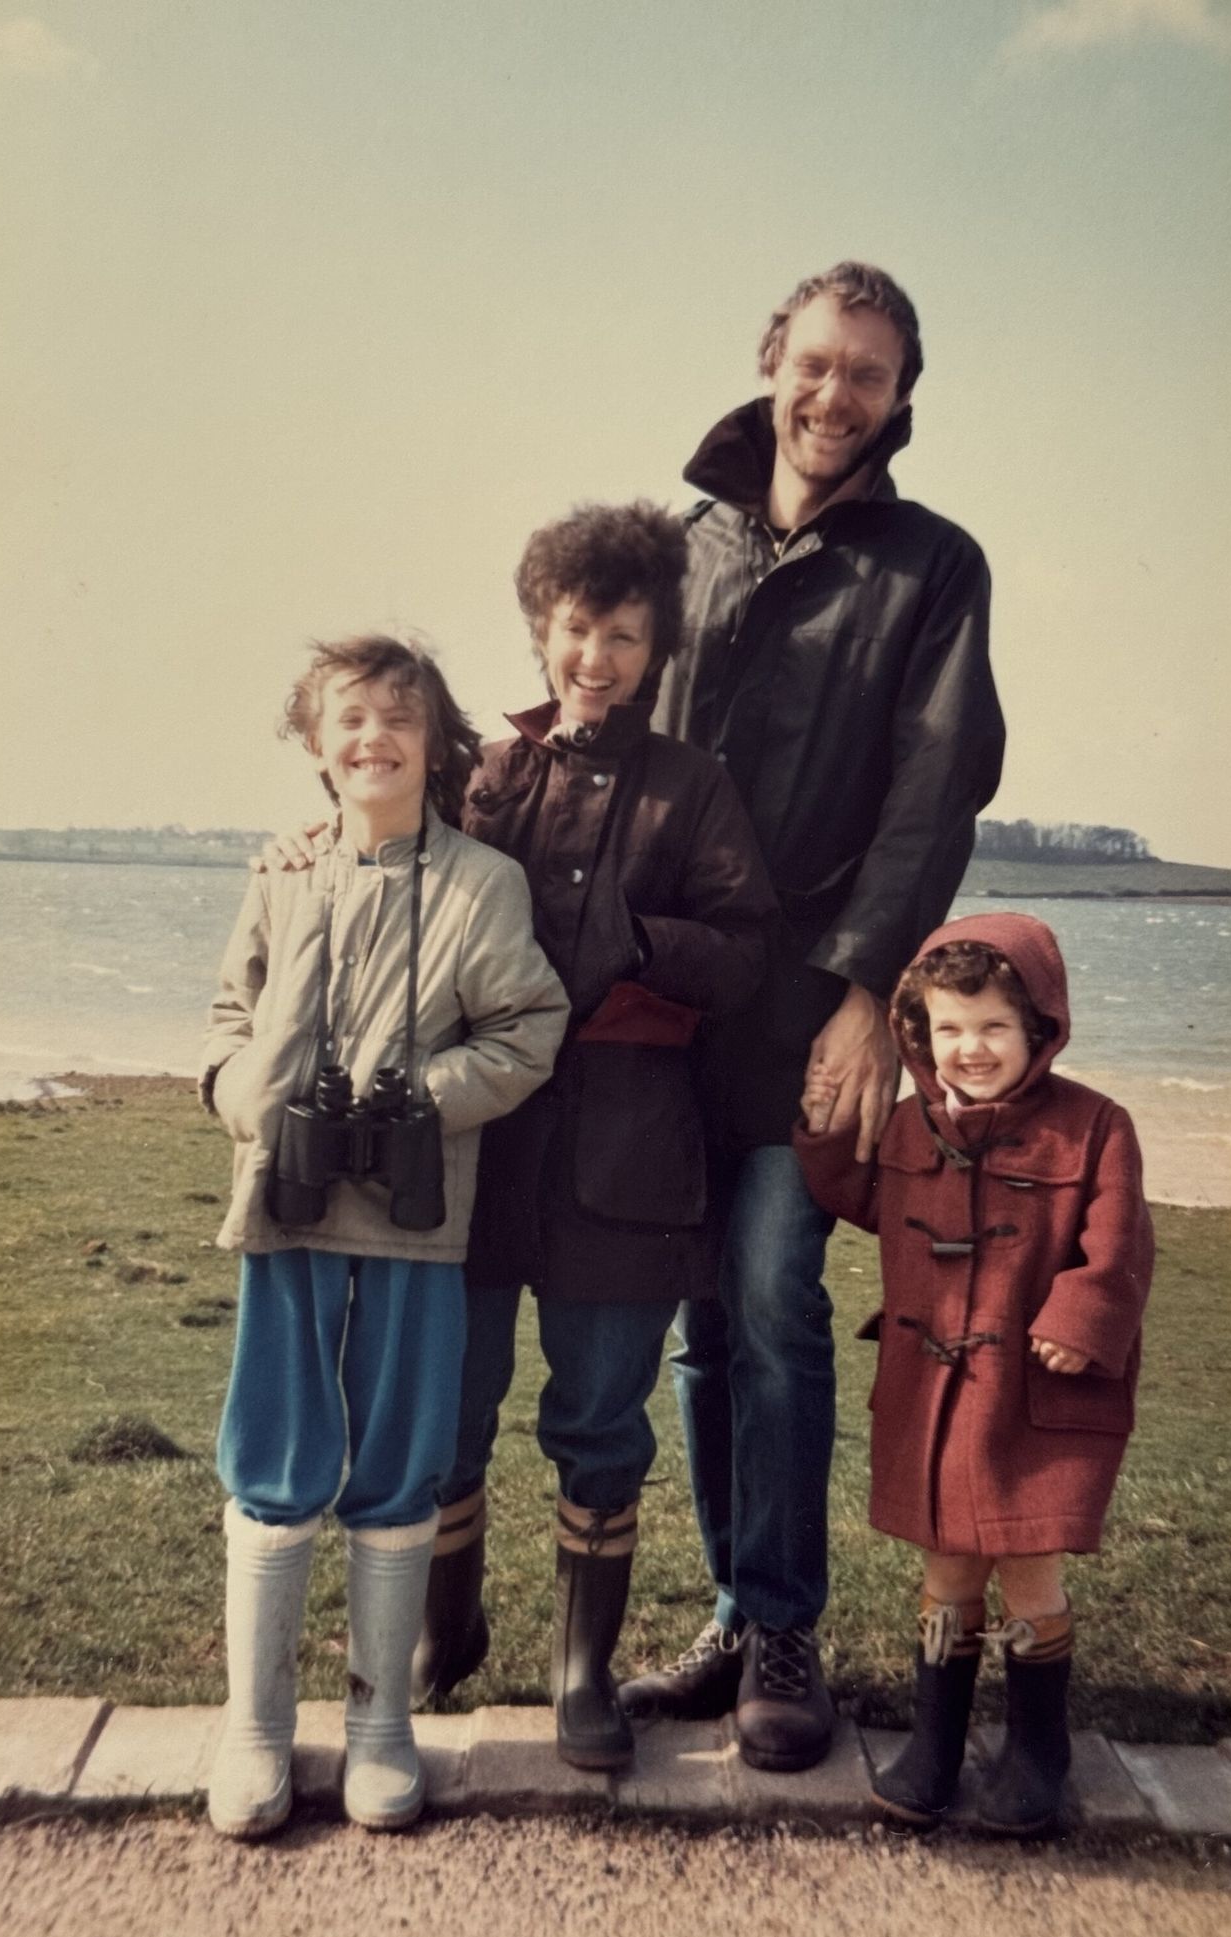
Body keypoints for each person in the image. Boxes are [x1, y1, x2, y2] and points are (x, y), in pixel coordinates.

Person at [620, 262, 1006, 1772]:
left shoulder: (934, 565)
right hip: (660, 1001)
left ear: (902, 400)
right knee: (701, 1328)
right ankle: (726, 1620)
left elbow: (936, 785)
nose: (835, 395)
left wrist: (866, 997)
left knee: (776, 1294)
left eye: (871, 375)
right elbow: (591, 731)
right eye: (819, 361)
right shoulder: (671, 548)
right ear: (770, 356)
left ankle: (785, 1632)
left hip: (811, 1010)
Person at [413, 502, 777, 1771]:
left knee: (600, 1419)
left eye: (626, 635)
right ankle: (445, 1629)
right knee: (447, 1404)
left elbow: (744, 954)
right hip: (478, 1148)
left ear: (656, 644)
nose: (599, 658)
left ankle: (581, 1676)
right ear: (540, 630)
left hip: (628, 1156)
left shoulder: (696, 786)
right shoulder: (486, 773)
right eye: (579, 629)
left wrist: (643, 944)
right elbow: (401, 882)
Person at [200, 635, 567, 1839]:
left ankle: (378, 1722)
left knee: (398, 1459)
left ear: (436, 739)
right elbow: (227, 1019)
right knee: (276, 1453)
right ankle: (254, 1725)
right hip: (288, 1209)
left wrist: (424, 1096)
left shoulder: (482, 881)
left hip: (418, 1216)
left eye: (399, 717)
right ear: (315, 744)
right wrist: (246, 1094)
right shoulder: (281, 871)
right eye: (349, 720)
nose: (374, 739)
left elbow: (527, 1028)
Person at [795, 912, 1153, 1832]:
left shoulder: (1095, 1127)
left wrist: (1083, 1315)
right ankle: (936, 1743)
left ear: (1039, 1024)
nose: (972, 1048)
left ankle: (1038, 1753)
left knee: (1029, 1569)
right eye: (948, 1030)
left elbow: (1119, 1248)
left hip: (1041, 1394)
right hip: (937, 1394)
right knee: (949, 1565)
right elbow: (859, 1194)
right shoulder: (915, 1127)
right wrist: (826, 1126)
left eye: (993, 1026)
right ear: (917, 1036)